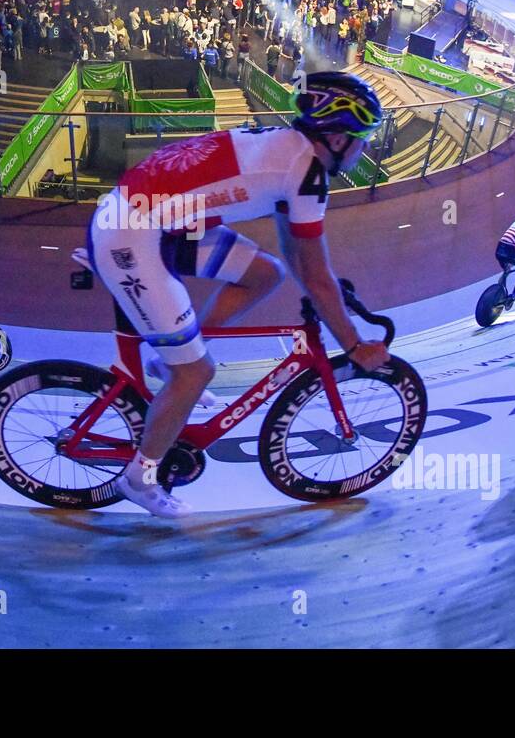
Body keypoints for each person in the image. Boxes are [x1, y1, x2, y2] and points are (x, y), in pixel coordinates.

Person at [87, 70, 391, 518]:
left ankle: (171, 358)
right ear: (338, 138)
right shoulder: (306, 175)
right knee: (195, 375)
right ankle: (140, 477)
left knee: (263, 274)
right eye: (362, 138)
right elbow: (317, 274)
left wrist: (333, 308)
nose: (365, 148)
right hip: (134, 235)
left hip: (153, 217)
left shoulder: (292, 149)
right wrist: (354, 345)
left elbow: (296, 259)